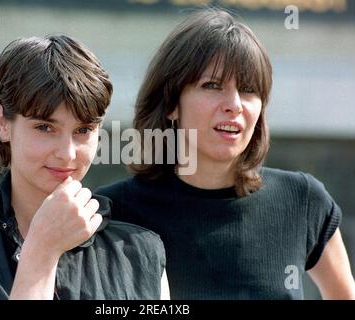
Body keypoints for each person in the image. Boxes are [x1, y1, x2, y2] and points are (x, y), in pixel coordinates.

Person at [95, 9, 355, 299]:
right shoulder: (112, 213)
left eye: (247, 90)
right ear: (171, 104)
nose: (234, 105)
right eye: (212, 85)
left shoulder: (303, 200)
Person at [0, 35, 169, 300]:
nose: (67, 153)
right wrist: (41, 251)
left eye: (83, 130)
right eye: (45, 127)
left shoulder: (141, 254)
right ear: (3, 122)